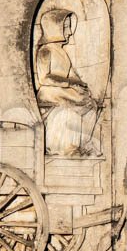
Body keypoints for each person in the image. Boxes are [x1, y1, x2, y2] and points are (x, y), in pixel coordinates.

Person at [35, 8, 100, 156]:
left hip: (63, 92)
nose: (70, 32)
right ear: (53, 28)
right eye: (66, 27)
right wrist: (70, 84)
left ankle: (81, 144)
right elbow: (44, 78)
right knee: (69, 112)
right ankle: (63, 147)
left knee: (91, 107)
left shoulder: (62, 52)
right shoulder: (46, 51)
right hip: (51, 94)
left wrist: (80, 84)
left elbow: (71, 74)